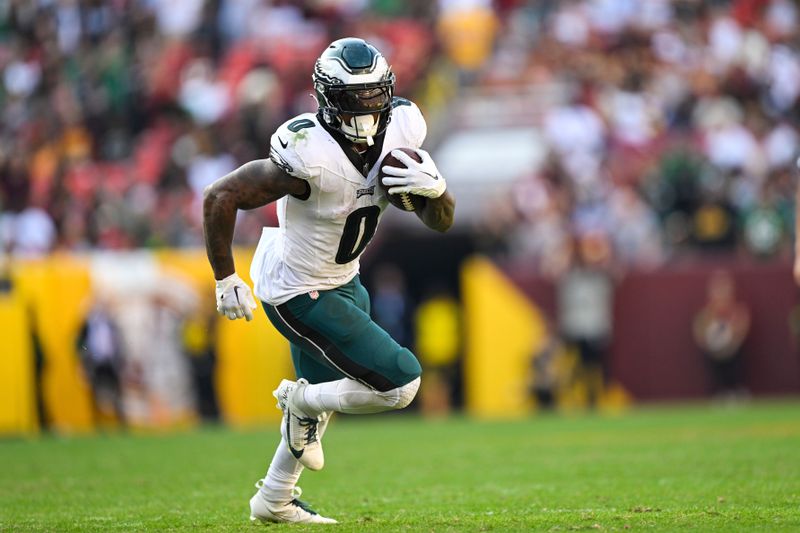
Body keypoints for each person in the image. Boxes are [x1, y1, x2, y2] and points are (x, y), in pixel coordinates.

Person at [202, 38, 455, 525]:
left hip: (344, 278)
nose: (365, 112)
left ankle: (274, 499)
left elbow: (441, 221)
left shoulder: (404, 126)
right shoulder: (307, 152)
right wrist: (224, 277)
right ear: (325, 98)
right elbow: (220, 195)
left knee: (320, 404)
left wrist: (438, 191)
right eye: (352, 100)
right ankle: (297, 402)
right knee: (400, 383)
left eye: (372, 97)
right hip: (297, 289)